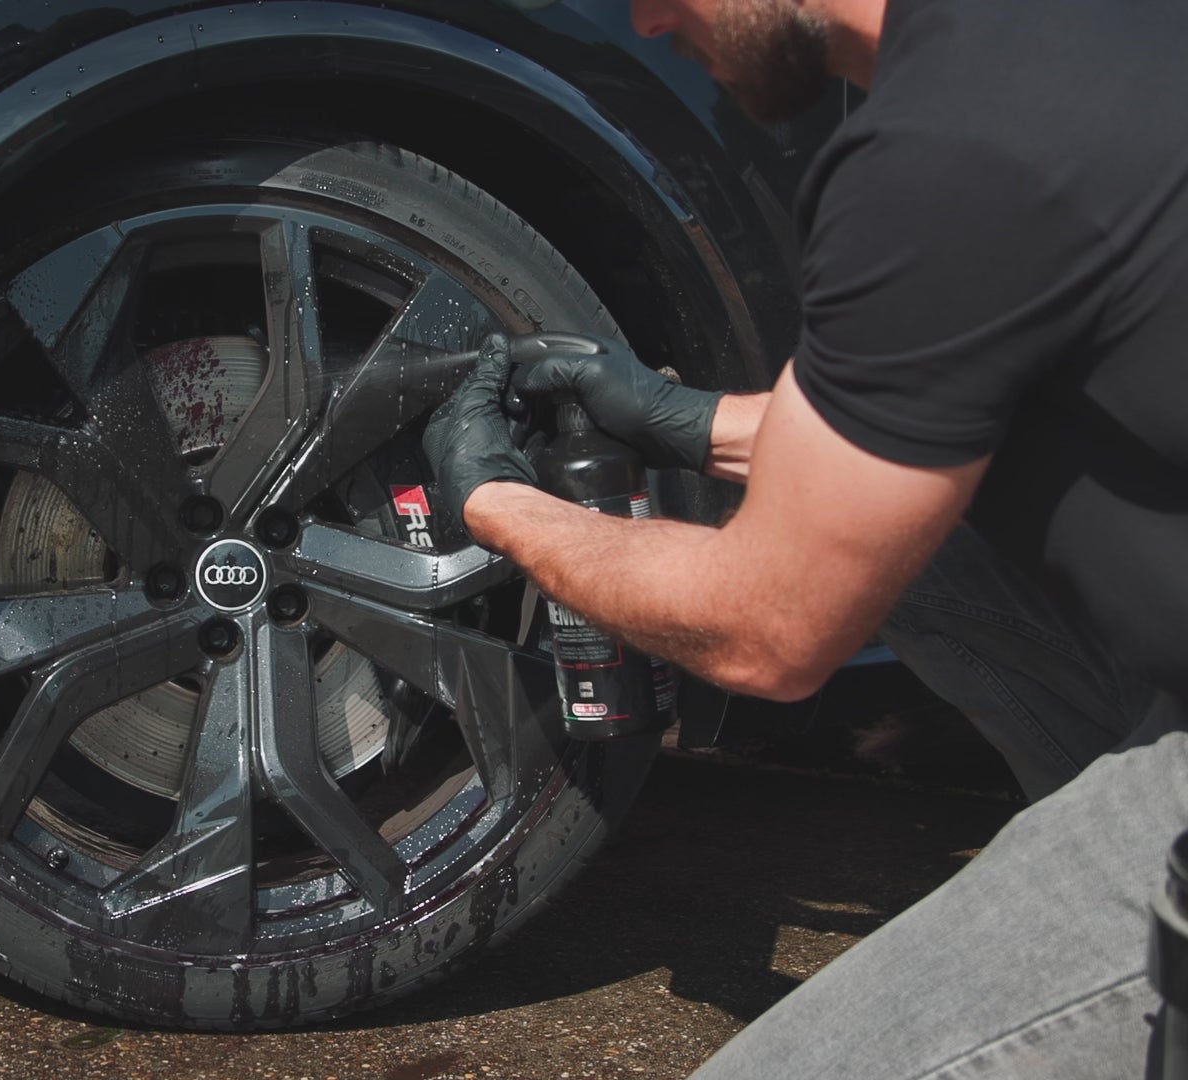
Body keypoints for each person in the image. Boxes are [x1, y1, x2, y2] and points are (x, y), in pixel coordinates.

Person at [422, 0, 1188, 1076]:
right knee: (916, 556)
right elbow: (924, 426)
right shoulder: (1078, 48)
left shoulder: (943, 145)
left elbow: (767, 632)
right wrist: (689, 423)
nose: (645, 19)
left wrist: (498, 506)